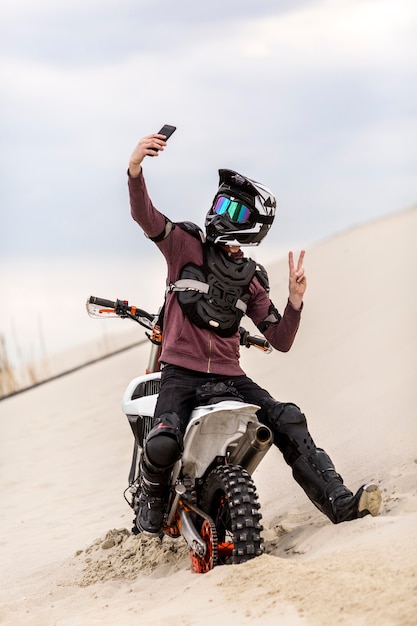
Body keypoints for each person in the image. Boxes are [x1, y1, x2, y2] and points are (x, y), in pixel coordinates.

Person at [127, 131, 382, 536]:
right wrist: (136, 168)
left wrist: (295, 301)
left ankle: (341, 503)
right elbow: (146, 216)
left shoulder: (251, 280)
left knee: (288, 419)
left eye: (236, 209)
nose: (222, 212)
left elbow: (279, 339)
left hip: (230, 378)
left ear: (255, 227)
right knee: (161, 443)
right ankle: (153, 501)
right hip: (180, 374)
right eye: (222, 202)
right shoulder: (184, 246)